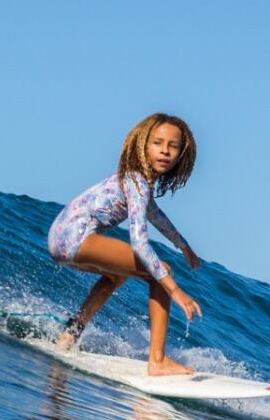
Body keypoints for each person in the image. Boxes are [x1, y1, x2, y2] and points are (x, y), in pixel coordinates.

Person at [47, 113, 203, 376]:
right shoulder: (137, 182)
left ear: (180, 155)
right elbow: (140, 243)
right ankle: (157, 361)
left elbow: (156, 216)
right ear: (142, 145)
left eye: (173, 146)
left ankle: (69, 335)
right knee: (159, 271)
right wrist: (175, 291)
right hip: (77, 237)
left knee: (115, 276)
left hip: (59, 239)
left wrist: (183, 245)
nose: (165, 151)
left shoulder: (133, 181)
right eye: (157, 143)